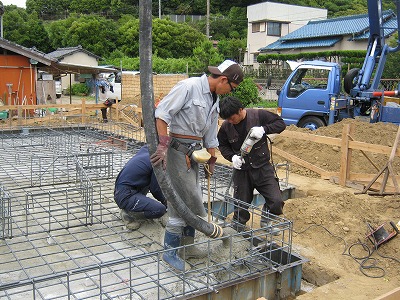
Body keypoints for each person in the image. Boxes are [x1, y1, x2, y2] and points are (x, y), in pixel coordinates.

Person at [150, 60, 244, 272]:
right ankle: (170, 252)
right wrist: (163, 147)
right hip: (176, 150)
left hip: (194, 153)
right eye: (232, 87)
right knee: (181, 200)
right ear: (223, 79)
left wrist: (211, 159)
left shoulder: (215, 99)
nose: (231, 91)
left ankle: (187, 246)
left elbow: (210, 134)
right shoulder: (188, 87)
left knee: (192, 197)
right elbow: (162, 115)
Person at [217, 96, 286, 234]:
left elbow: (281, 124)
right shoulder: (226, 127)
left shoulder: (258, 115)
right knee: (241, 203)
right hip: (242, 170)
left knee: (276, 200)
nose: (230, 121)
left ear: (240, 110)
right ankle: (238, 226)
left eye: (232, 118)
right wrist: (232, 157)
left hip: (262, 167)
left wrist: (264, 129)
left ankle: (267, 219)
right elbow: (222, 145)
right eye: (227, 119)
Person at [114, 145, 167, 230]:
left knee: (147, 177)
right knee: (160, 210)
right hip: (126, 195)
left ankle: (132, 206)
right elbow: (155, 189)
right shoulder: (157, 160)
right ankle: (129, 214)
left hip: (123, 189)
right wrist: (166, 202)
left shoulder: (148, 150)